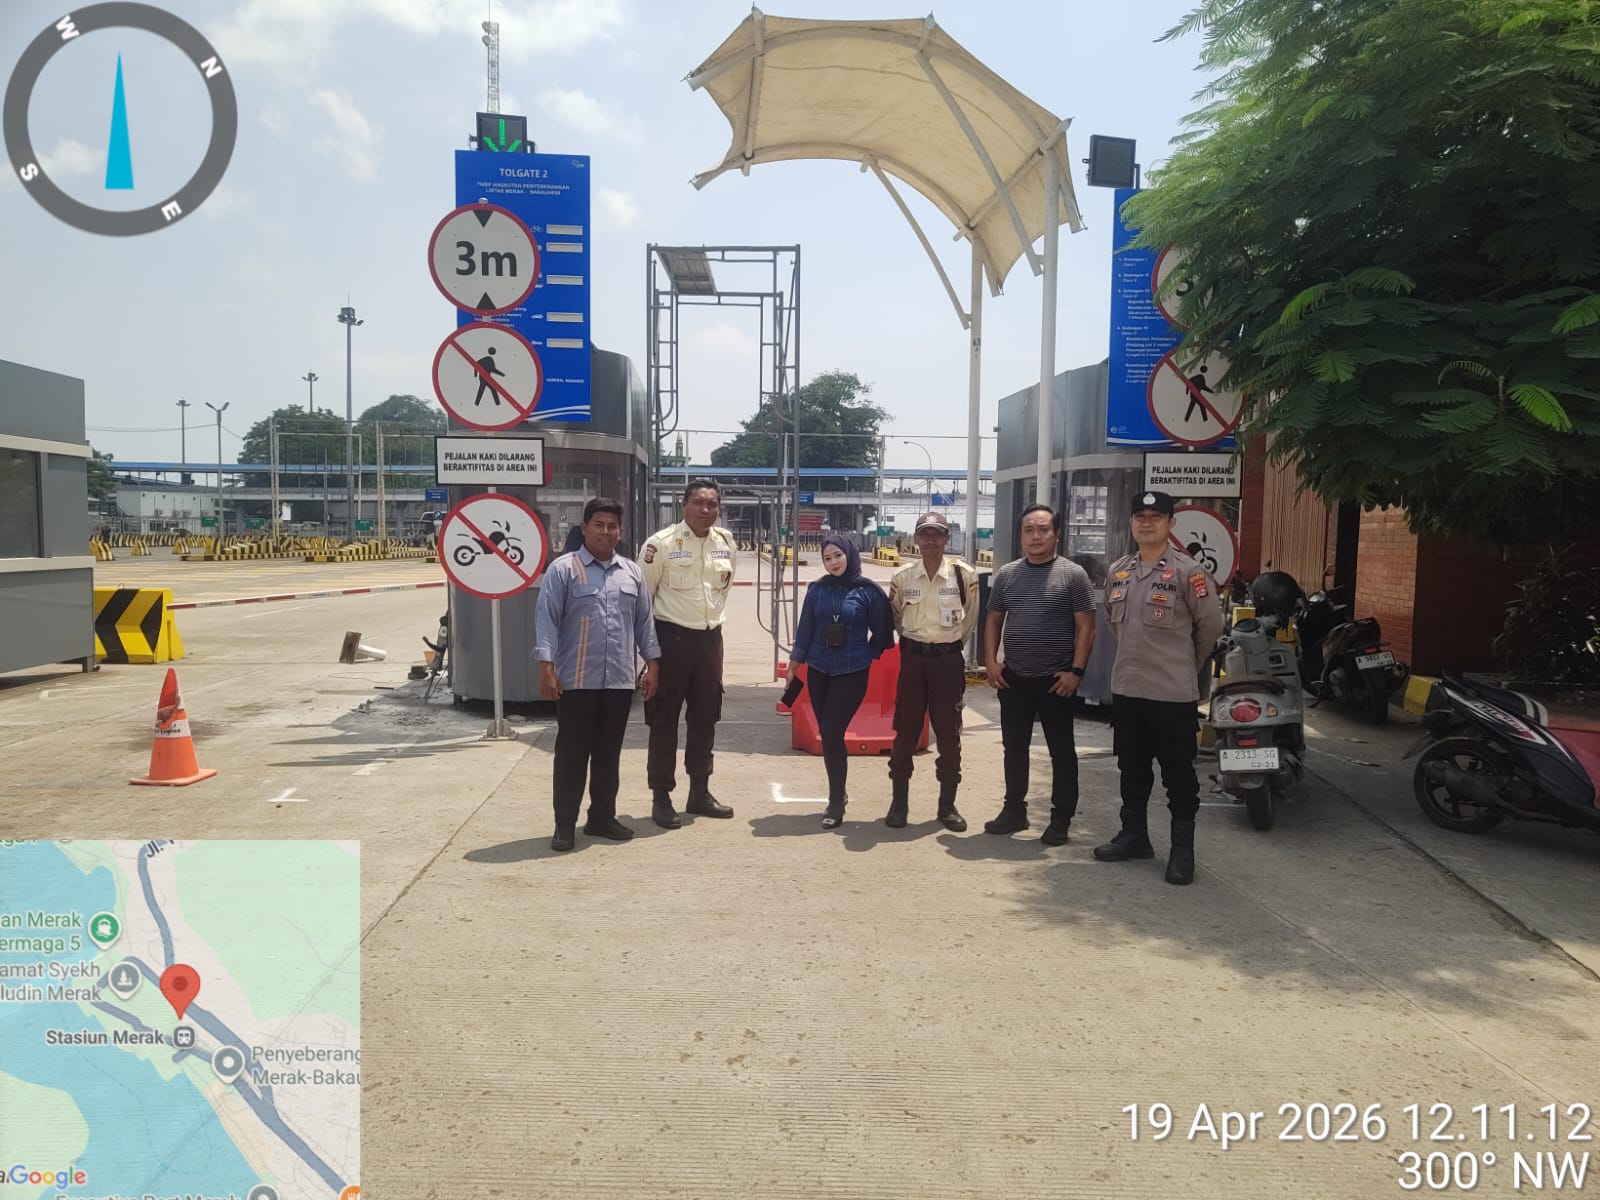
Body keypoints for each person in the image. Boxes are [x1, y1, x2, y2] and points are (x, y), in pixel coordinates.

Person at [1094, 490, 1227, 885]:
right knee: (1131, 768)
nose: (1147, 522)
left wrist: (1186, 665)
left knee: (1178, 775)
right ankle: (1134, 836)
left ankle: (1182, 851)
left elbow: (1210, 627)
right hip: (1128, 689)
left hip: (1171, 694)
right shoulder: (1119, 571)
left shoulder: (1190, 573)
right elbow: (1114, 622)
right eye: (1140, 516)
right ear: (1131, 523)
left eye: (1156, 516)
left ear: (1172, 523)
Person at [535, 497, 661, 852]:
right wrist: (546, 667)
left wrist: (653, 663)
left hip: (619, 681)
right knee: (571, 756)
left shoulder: (631, 572)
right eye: (599, 525)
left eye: (612, 526)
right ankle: (564, 825)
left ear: (620, 531)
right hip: (576, 680)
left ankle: (602, 817)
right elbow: (546, 620)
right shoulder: (563, 569)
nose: (606, 531)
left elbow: (644, 623)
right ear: (585, 528)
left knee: (609, 754)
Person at [981, 504, 1096, 843]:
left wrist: (1076, 672)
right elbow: (993, 620)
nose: (1036, 536)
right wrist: (991, 662)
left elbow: (1087, 627)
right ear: (1020, 536)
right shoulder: (1007, 574)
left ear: (1056, 534)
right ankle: (1014, 811)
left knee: (1062, 752)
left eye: (1043, 529)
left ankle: (1060, 820)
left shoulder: (1073, 575)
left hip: (1056, 680)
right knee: (1014, 748)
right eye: (1028, 530)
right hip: (1014, 677)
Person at [641, 479, 739, 828]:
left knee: (705, 718)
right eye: (698, 502)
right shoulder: (660, 544)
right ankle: (661, 797)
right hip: (671, 641)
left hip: (710, 642)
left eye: (712, 504)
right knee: (664, 720)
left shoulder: (726, 542)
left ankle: (699, 791)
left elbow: (722, 591)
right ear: (683, 505)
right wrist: (649, 658)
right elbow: (643, 602)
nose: (706, 510)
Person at [787, 534, 894, 828]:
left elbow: (882, 631)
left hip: (852, 672)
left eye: (837, 555)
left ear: (849, 554)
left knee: (833, 731)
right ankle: (839, 793)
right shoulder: (817, 590)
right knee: (828, 734)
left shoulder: (868, 592)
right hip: (818, 670)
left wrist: (866, 654)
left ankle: (836, 801)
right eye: (827, 558)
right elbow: (806, 628)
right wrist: (795, 663)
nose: (833, 562)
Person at [886, 511, 978, 830]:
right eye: (925, 534)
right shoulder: (902, 578)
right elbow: (897, 618)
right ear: (916, 539)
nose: (931, 540)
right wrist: (918, 643)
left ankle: (947, 806)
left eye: (937, 534)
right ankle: (899, 804)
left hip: (947, 663)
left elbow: (969, 621)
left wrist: (946, 645)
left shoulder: (964, 576)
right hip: (913, 661)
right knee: (905, 734)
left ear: (946, 538)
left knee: (949, 734)